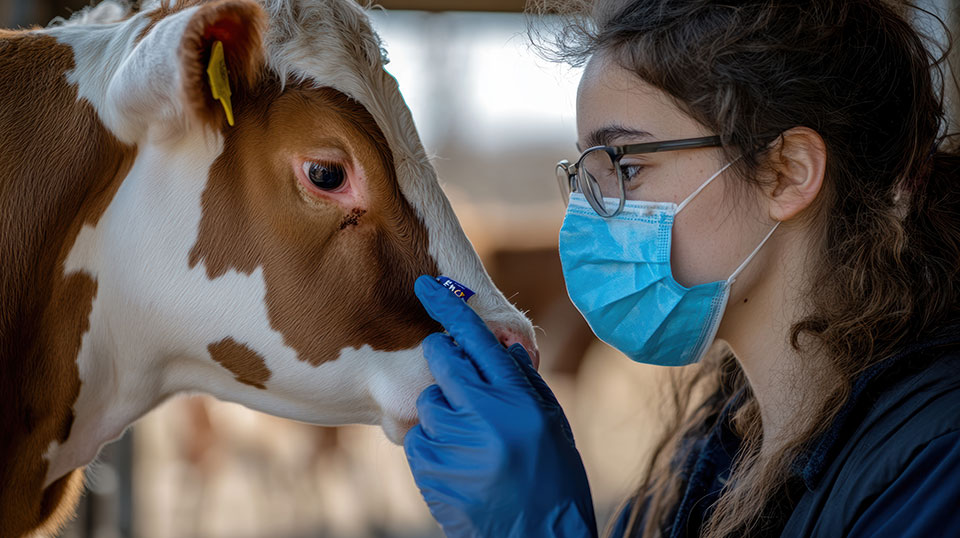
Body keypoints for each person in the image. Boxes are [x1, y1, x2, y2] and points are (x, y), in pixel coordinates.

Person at [402, 1, 960, 536]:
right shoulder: (722, 453)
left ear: (787, 173)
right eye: (586, 175)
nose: (586, 216)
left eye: (628, 166)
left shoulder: (938, 461)